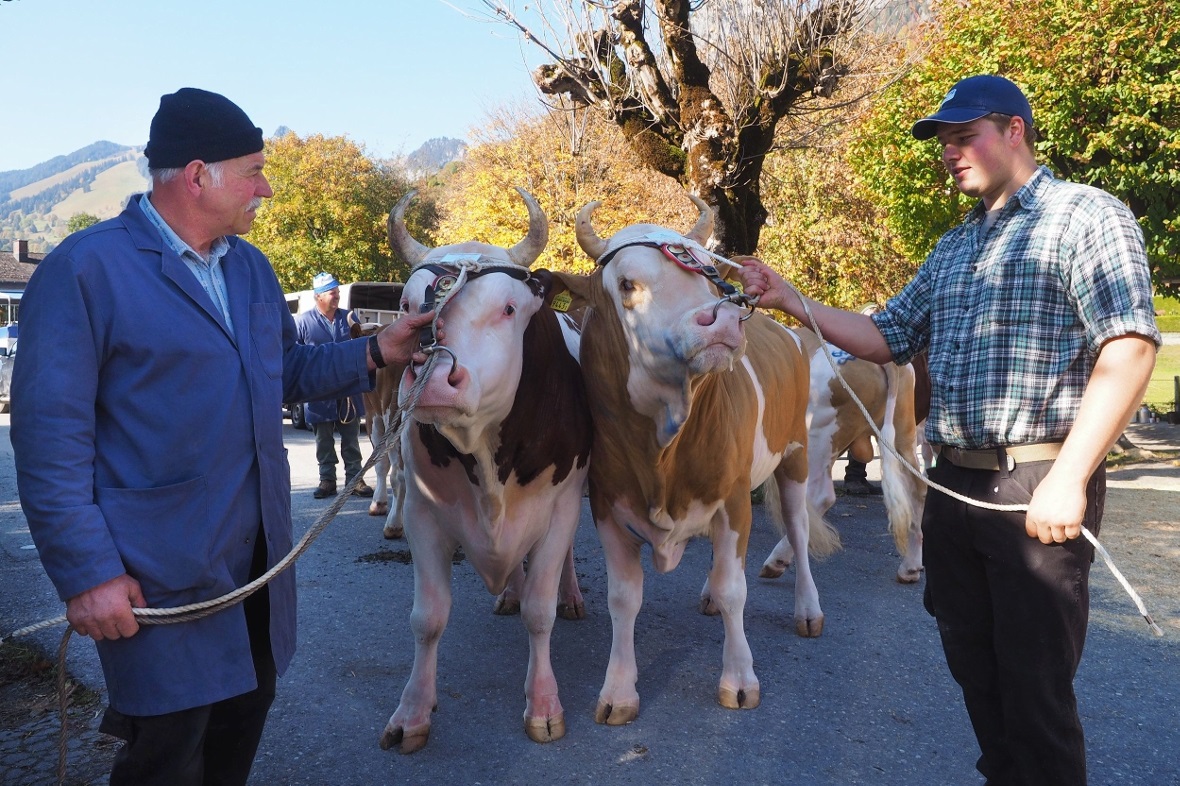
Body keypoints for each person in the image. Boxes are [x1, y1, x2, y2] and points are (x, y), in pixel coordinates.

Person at [738, 74, 1159, 785]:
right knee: (977, 672)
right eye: (944, 142)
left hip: (1037, 487)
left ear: (1015, 130)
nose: (950, 153)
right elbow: (884, 333)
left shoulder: (1086, 216)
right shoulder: (956, 247)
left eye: (965, 136)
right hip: (956, 487)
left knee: (1036, 693)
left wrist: (1067, 479)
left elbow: (1130, 346)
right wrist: (788, 297)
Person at [10, 87, 433, 786]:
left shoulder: (249, 267)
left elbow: (283, 370)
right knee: (167, 753)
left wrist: (375, 350)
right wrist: (86, 573)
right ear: (198, 174)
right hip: (157, 572)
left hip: (256, 566)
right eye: (253, 171)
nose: (265, 188)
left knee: (239, 729)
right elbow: (50, 441)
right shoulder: (85, 270)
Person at [295, 271, 374, 499]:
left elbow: (362, 347)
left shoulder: (349, 318)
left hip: (347, 387)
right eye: (332, 293)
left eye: (338, 292)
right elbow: (295, 356)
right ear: (319, 296)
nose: (337, 296)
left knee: (351, 438)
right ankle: (327, 480)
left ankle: (355, 480)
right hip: (318, 390)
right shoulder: (304, 322)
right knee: (323, 440)